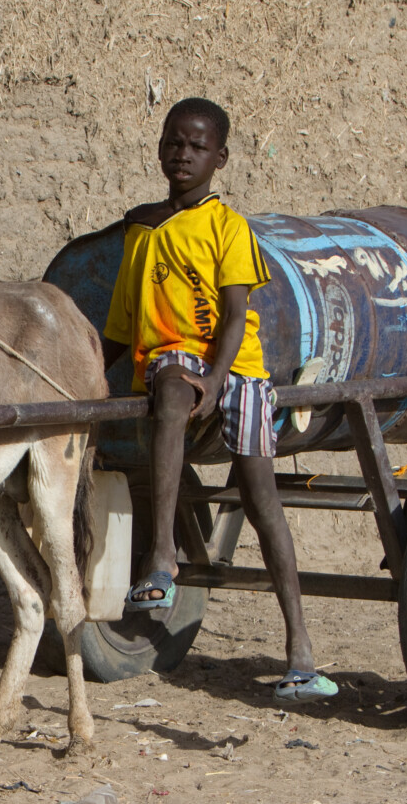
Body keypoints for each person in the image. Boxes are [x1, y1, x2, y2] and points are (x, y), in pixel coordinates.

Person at [100, 97, 336, 703]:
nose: (182, 155)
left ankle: (301, 650)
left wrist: (218, 376)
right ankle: (161, 558)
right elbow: (124, 325)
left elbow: (236, 316)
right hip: (171, 358)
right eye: (174, 143)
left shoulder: (228, 227)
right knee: (172, 389)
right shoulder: (141, 228)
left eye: (197, 146)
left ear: (220, 158)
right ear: (159, 147)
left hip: (234, 365)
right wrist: (89, 382)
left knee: (261, 495)